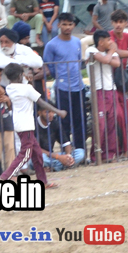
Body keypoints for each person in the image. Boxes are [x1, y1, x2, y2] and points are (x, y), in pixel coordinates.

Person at [0, 63, 66, 188]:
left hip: (18, 124)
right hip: (26, 126)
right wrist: (58, 111)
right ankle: (4, 177)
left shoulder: (10, 88)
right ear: (20, 75)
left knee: (37, 154)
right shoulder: (27, 89)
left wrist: (29, 83)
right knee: (25, 155)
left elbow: (26, 95)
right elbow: (41, 102)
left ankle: (43, 181)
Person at [42, 14, 87, 152]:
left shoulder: (77, 42)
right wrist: (58, 76)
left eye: (70, 24)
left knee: (81, 120)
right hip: (62, 88)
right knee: (64, 122)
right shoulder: (51, 45)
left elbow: (78, 62)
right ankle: (65, 152)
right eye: (64, 24)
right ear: (59, 25)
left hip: (79, 86)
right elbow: (48, 65)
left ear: (74, 25)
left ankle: (81, 151)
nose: (67, 27)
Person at [86, 30, 124, 161]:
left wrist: (111, 52)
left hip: (110, 90)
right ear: (101, 42)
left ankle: (109, 154)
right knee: (100, 124)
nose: (111, 42)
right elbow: (106, 60)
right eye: (108, 40)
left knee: (112, 122)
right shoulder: (91, 50)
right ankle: (95, 155)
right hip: (98, 90)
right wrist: (112, 51)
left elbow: (116, 63)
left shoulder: (110, 52)